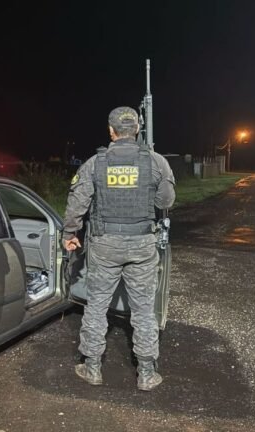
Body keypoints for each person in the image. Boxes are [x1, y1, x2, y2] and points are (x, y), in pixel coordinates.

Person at [62, 106, 176, 391]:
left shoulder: (95, 163)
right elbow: (166, 202)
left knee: (97, 306)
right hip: (142, 244)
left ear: (111, 131)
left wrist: (70, 233)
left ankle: (92, 368)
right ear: (137, 129)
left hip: (105, 244)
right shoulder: (156, 162)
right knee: (143, 310)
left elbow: (77, 204)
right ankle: (147, 373)